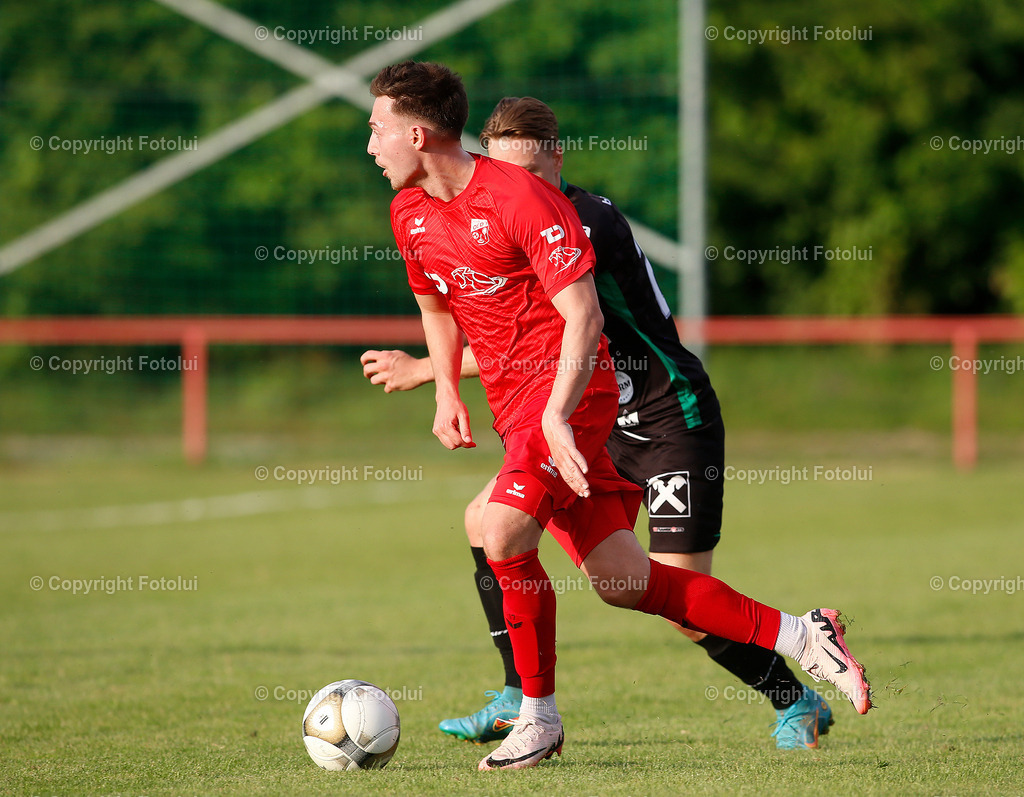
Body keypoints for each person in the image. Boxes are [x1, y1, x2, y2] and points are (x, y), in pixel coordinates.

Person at [365, 60, 871, 772]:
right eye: (509, 165)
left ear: (555, 161)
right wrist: (438, 378)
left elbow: (579, 319)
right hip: (562, 412)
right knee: (620, 580)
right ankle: (796, 633)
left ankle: (775, 697)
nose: (526, 182)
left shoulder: (567, 215)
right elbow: (478, 312)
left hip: (659, 414)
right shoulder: (424, 209)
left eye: (376, 127)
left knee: (509, 526)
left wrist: (551, 410)